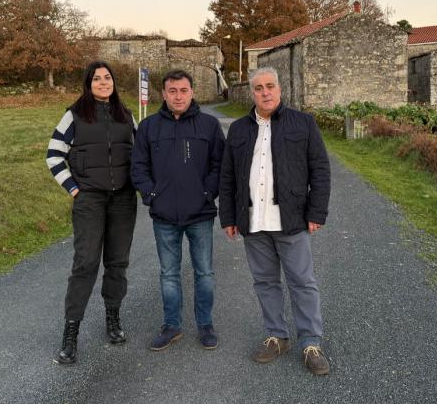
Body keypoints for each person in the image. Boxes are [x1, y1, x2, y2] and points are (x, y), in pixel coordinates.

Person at [218, 66, 331, 375]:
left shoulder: (303, 123)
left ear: (280, 89)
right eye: (258, 88)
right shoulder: (239, 130)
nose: (265, 92)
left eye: (270, 86)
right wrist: (228, 216)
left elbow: (320, 169)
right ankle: (276, 336)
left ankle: (310, 342)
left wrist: (316, 212)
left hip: (291, 220)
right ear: (251, 93)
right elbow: (227, 176)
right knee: (265, 282)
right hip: (253, 221)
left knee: (302, 282)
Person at [46, 61, 137, 365]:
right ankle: (70, 334)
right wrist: (73, 188)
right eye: (96, 78)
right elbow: (54, 155)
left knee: (117, 263)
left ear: (114, 82)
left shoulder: (126, 116)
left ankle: (113, 319)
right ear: (88, 83)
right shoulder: (74, 116)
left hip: (123, 200)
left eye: (107, 77)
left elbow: (141, 155)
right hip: (90, 200)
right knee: (85, 264)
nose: (102, 82)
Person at [131, 69, 225, 351]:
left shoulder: (209, 125)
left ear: (192, 92)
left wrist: (208, 194)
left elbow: (219, 165)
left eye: (183, 90)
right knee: (169, 274)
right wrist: (151, 195)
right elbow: (138, 166)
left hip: (200, 214)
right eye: (172, 91)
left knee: (204, 272)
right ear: (164, 94)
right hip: (164, 216)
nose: (178, 96)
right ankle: (172, 325)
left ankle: (205, 324)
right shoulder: (148, 127)